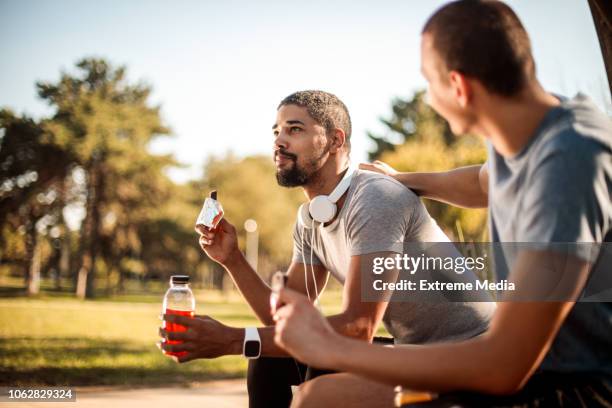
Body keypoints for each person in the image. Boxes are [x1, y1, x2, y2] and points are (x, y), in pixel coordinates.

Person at [272, 1, 612, 407]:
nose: (429, 99)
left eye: (429, 83)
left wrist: (329, 348)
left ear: (459, 87)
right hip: (533, 370)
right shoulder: (534, 129)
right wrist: (404, 181)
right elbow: (480, 183)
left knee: (323, 399)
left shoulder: (570, 162)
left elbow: (504, 364)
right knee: (324, 393)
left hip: (574, 389)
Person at [158, 90, 495, 407]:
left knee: (316, 369)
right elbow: (282, 322)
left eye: (294, 129)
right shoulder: (310, 219)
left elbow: (357, 329)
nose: (279, 140)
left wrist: (233, 338)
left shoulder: (374, 198)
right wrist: (232, 259)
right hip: (415, 353)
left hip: (469, 358)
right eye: (276, 131)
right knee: (268, 360)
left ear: (335, 140)